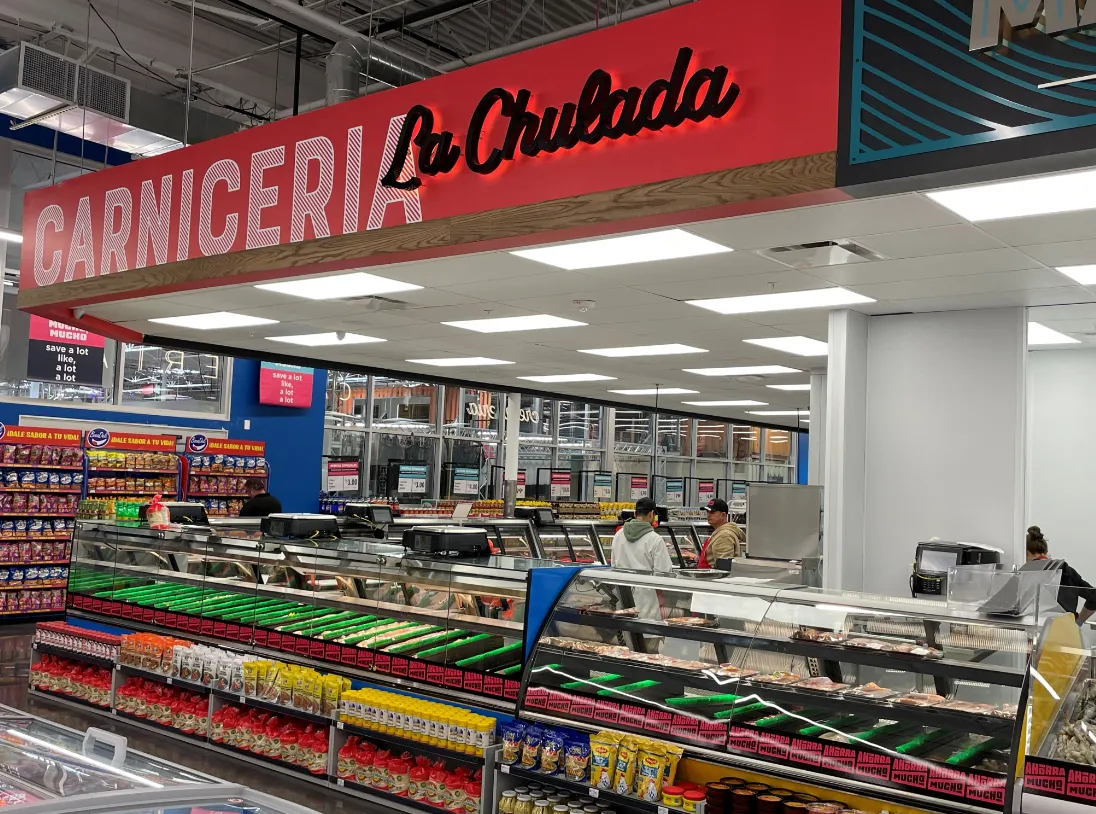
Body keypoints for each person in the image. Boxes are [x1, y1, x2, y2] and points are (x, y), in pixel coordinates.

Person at [609, 497, 673, 626]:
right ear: (651, 514)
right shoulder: (655, 539)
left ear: (635, 514)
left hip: (623, 597)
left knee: (627, 640)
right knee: (647, 640)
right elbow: (664, 573)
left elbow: (613, 566)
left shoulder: (618, 535)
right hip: (646, 600)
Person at [1027, 526, 1096, 624]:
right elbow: (1094, 596)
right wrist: (1079, 622)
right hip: (1067, 632)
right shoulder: (1067, 570)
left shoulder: (1026, 574)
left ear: (1026, 553)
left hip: (1038, 632)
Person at [698, 498, 746, 569]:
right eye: (707, 512)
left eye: (712, 512)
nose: (708, 515)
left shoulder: (724, 535)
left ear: (723, 515)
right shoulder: (719, 532)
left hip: (710, 578)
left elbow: (723, 568)